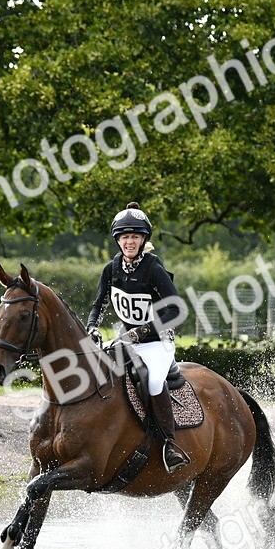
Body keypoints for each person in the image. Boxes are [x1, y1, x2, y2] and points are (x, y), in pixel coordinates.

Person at [86, 202, 191, 473]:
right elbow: (100, 303)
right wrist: (92, 326)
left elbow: (176, 310)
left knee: (154, 380)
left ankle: (170, 444)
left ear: (143, 240)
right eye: (125, 237)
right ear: (118, 240)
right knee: (97, 370)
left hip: (158, 341)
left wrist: (142, 331)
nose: (129, 241)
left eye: (134, 236)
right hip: (127, 341)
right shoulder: (111, 269)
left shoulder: (153, 268)